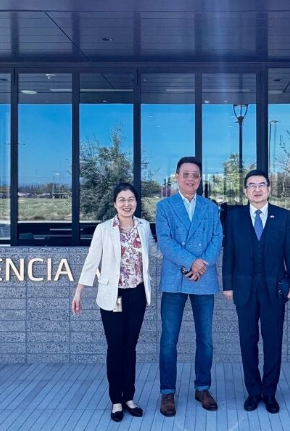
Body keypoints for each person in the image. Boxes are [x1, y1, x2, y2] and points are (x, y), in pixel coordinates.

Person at [72, 183, 153, 422]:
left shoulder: (145, 227)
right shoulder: (105, 229)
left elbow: (154, 251)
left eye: (131, 199)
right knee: (115, 347)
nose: (127, 204)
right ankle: (116, 400)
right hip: (112, 296)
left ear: (136, 202)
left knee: (131, 347)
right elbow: (91, 261)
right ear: (114, 204)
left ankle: (129, 397)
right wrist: (79, 292)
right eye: (121, 199)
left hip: (137, 294)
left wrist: (183, 257)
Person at [222, 170, 290, 414]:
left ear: (269, 189)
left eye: (261, 185)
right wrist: (227, 284)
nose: (257, 189)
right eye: (251, 185)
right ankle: (253, 392)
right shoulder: (234, 217)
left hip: (274, 290)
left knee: (273, 342)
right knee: (248, 342)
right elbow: (230, 252)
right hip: (243, 290)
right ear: (245, 190)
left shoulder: (283, 216)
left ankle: (269, 392)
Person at [156, 156, 223, 417]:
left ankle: (202, 388)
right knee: (168, 341)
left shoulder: (210, 207)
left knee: (205, 339)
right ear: (176, 177)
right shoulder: (164, 206)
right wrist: (190, 262)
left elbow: (217, 237)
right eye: (186, 174)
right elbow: (164, 240)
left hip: (203, 280)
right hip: (175, 279)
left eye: (195, 174)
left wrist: (202, 263)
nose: (191, 178)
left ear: (200, 178)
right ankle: (167, 393)